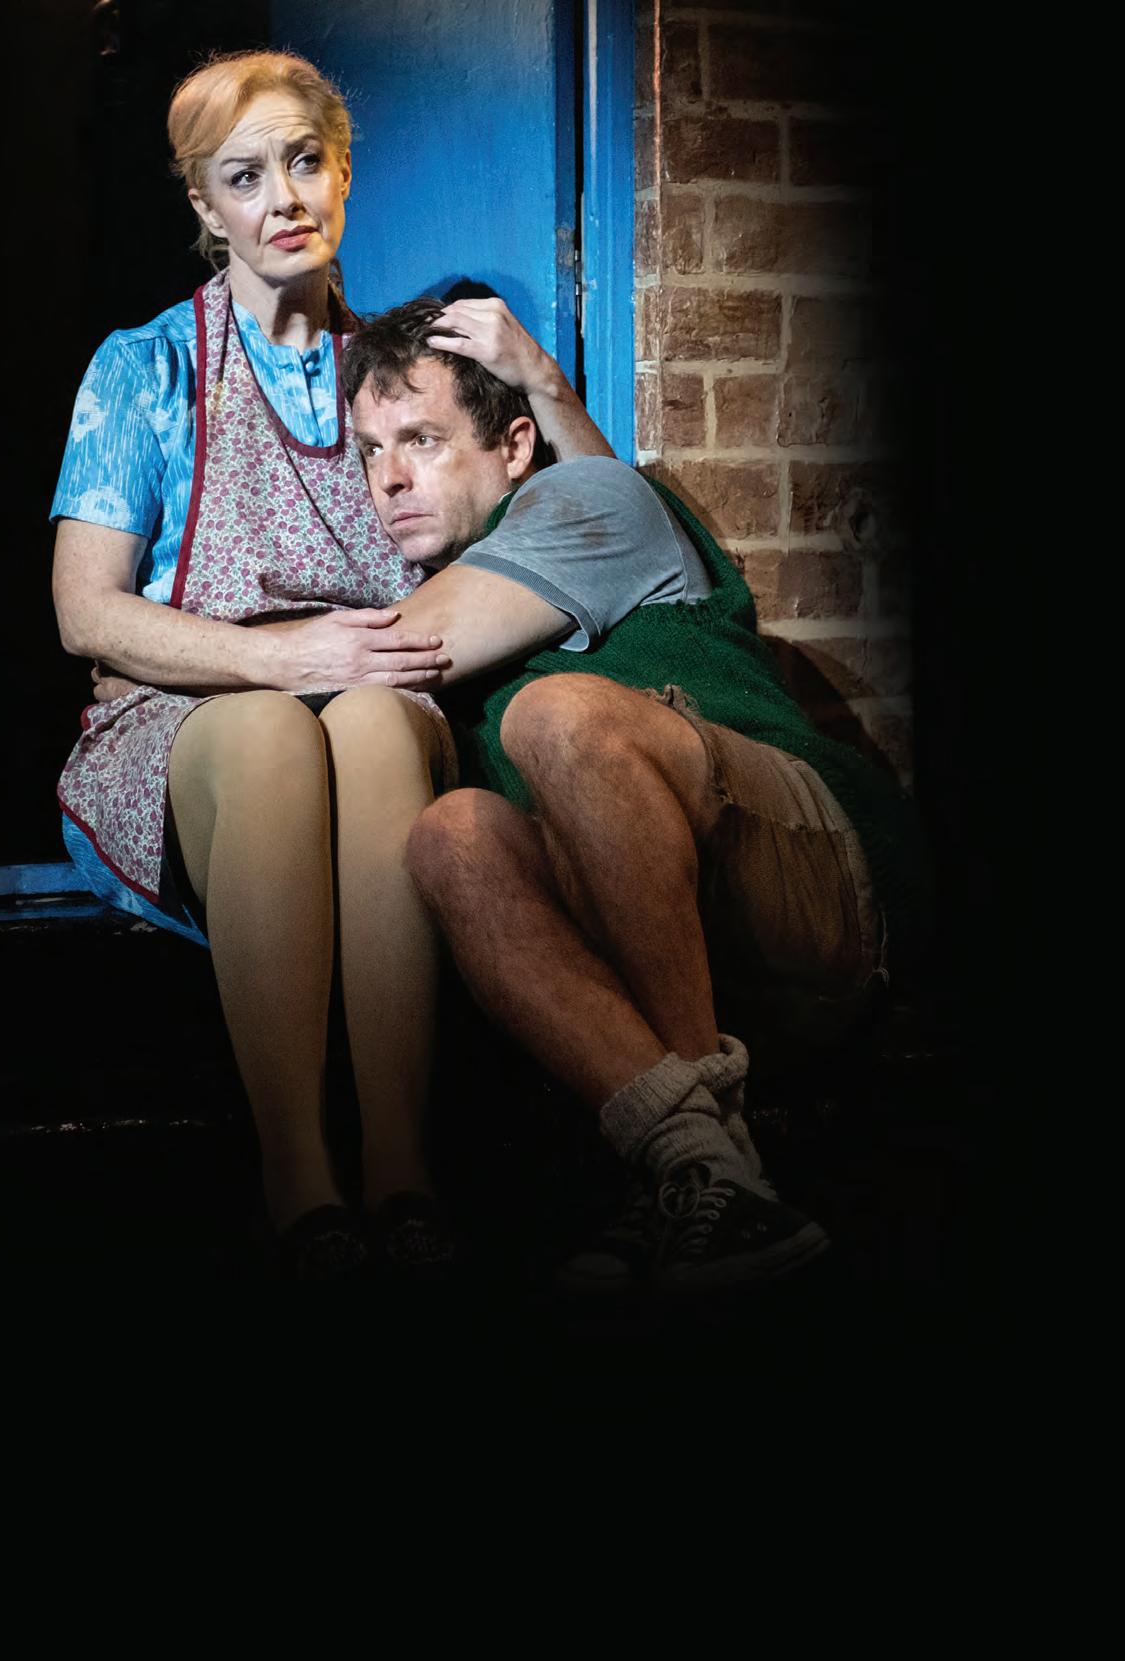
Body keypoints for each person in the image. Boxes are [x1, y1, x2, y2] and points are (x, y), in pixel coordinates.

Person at [49, 51, 605, 1288]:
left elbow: (597, 517)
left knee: (364, 720)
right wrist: (272, 654)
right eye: (244, 177)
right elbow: (84, 613)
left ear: (344, 172)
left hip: (372, 702)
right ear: (204, 206)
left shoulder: (400, 367)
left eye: (305, 161)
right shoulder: (146, 367)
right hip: (198, 715)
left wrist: (540, 378)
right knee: (271, 732)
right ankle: (298, 1170)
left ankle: (400, 1162)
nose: (284, 198)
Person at [333, 297, 927, 1298]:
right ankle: (698, 1164)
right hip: (679, 944)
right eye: (368, 451)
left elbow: (387, 651)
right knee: (449, 836)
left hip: (824, 889)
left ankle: (709, 1155)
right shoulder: (462, 582)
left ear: (514, 446)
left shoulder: (587, 495)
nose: (387, 477)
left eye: (421, 440)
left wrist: (170, 659)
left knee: (558, 714)